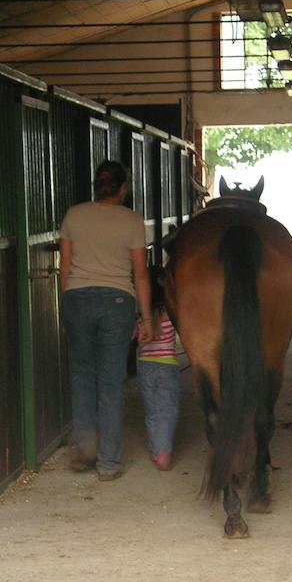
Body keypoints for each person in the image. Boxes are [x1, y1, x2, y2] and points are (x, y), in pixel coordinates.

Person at [60, 160, 152, 481]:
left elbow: (65, 267)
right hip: (117, 302)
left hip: (77, 299)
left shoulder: (74, 215)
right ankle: (109, 464)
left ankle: (85, 447)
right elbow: (140, 274)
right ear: (123, 188)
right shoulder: (132, 221)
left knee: (82, 375)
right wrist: (147, 317)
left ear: (97, 187)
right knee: (111, 382)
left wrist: (67, 304)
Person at [135, 269, 180, 471]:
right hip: (167, 367)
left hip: (145, 366)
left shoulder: (140, 319)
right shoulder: (171, 315)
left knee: (152, 412)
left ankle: (156, 450)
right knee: (167, 410)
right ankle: (164, 452)